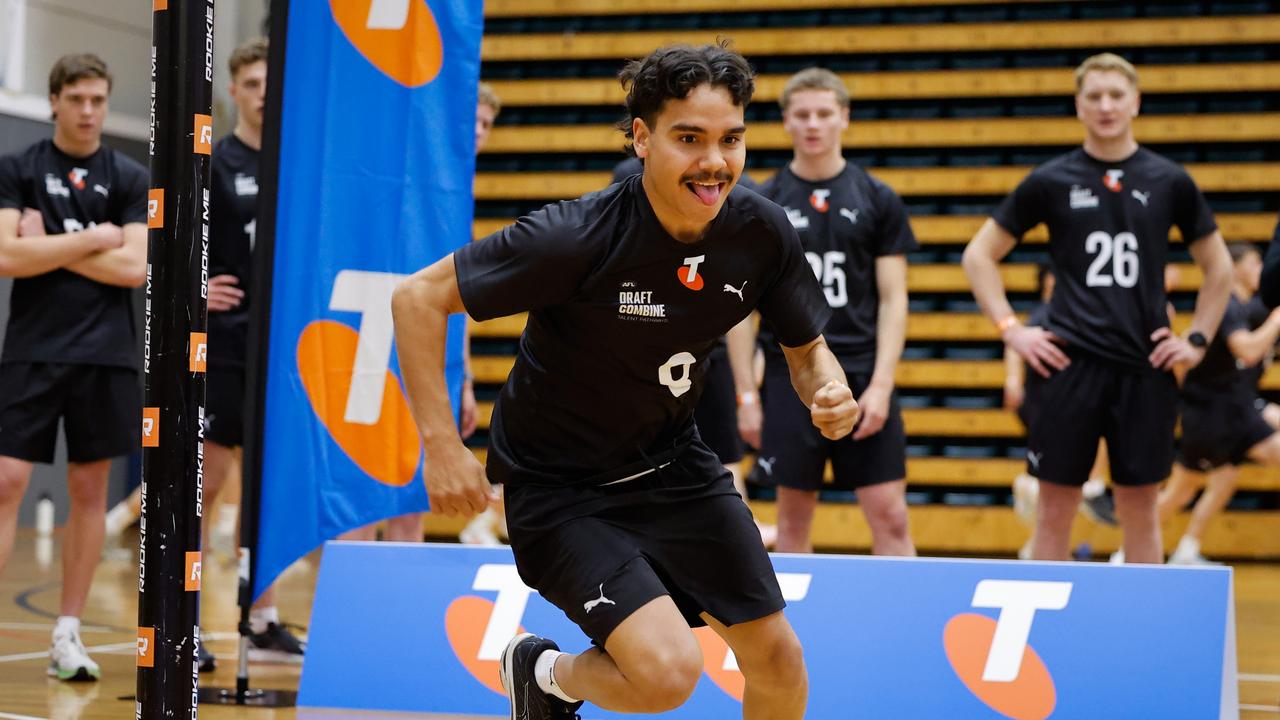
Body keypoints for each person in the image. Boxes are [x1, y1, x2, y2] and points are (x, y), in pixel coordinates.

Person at [391, 43, 857, 720]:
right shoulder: (573, 237)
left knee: (779, 660)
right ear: (641, 138)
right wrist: (440, 444)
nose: (715, 163)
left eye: (731, 139)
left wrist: (827, 390)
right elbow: (416, 299)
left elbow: (808, 350)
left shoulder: (761, 232)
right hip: (562, 492)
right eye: (689, 139)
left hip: (675, 468)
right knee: (669, 676)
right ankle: (546, 672)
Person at [963, 52, 1232, 564]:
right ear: (1079, 106)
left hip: (1144, 366)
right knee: (1054, 509)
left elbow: (1218, 269)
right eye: (1095, 96)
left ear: (1136, 103)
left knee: (1140, 507)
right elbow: (979, 255)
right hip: (1068, 366)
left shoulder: (1169, 180)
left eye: (1116, 95)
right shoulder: (1051, 180)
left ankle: (1143, 634)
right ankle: (1046, 640)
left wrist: (1196, 339)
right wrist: (1011, 329)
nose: (1106, 106)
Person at [0, 54, 147, 681]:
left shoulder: (132, 176)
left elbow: (135, 269)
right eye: (77, 99)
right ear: (55, 100)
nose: (89, 112)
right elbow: (7, 256)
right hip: (32, 350)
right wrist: (94, 238)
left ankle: (67, 635)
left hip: (105, 353)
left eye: (98, 100)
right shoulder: (18, 169)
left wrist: (49, 243)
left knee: (90, 493)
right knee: (6, 481)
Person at [737, 67, 915, 556]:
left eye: (823, 113)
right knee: (793, 520)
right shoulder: (763, 201)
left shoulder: (877, 197)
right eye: (802, 115)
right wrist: (746, 395)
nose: (813, 124)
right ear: (786, 122)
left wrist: (881, 385)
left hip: (859, 365)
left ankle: (908, 625)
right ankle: (795, 632)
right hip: (788, 371)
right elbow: (741, 308)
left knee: (890, 515)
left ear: (844, 118)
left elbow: (894, 299)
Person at [202, 37, 306, 667]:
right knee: (208, 482)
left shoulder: (298, 163)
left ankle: (261, 616)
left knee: (267, 491)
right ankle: (179, 619)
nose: (263, 93)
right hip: (227, 345)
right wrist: (196, 289)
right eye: (251, 84)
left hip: (285, 344)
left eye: (272, 82)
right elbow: (177, 243)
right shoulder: (216, 161)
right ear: (235, 91)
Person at [608, 158, 776, 548]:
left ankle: (737, 543)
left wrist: (747, 392)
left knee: (725, 463)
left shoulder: (742, 189)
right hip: (644, 351)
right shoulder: (628, 180)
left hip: (707, 354)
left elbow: (743, 307)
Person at [1158, 242, 1280, 564]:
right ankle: (1128, 552)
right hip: (1210, 414)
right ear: (1235, 266)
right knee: (1181, 491)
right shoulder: (1224, 306)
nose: (1260, 271)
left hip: (1238, 410)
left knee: (1225, 480)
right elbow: (1249, 350)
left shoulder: (1249, 307)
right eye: (1255, 263)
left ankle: (1187, 551)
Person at [1005, 265, 1116, 560]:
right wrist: (1013, 380)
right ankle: (1040, 490)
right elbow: (1013, 345)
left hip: (1069, 402)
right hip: (1047, 403)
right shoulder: (1044, 314)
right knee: (1058, 481)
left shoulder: (1076, 313)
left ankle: (1045, 529)